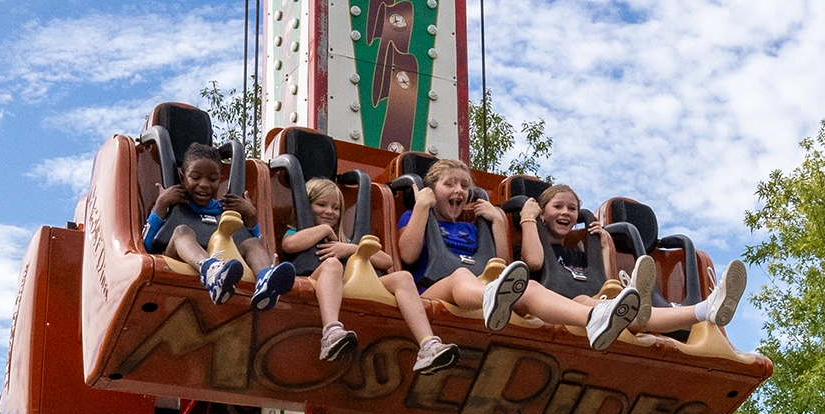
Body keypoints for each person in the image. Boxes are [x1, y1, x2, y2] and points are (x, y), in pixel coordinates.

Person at [395, 159, 642, 350]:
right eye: (449, 184)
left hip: (482, 294)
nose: (458, 190)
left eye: (464, 185)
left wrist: (498, 222)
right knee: (461, 275)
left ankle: (595, 317)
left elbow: (498, 266)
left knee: (530, 288)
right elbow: (408, 255)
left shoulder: (470, 229)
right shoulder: (416, 217)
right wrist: (421, 206)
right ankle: (488, 296)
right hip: (432, 292)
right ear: (431, 190)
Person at [280, 178, 459, 373]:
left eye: (336, 207)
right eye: (321, 205)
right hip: (318, 282)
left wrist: (349, 248)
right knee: (332, 265)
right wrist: (324, 230)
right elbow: (289, 245)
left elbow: (386, 261)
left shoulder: (343, 241)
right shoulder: (297, 231)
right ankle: (331, 331)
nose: (330, 212)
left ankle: (428, 345)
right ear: (306, 207)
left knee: (403, 278)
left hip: (351, 286)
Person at [517, 184, 746, 332]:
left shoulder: (579, 254)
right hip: (554, 307)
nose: (566, 212)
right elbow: (535, 262)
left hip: (588, 307)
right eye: (557, 206)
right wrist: (528, 218)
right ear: (542, 212)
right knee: (586, 303)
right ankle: (637, 301)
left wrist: (605, 248)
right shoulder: (530, 242)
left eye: (572, 208)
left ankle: (705, 310)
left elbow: (604, 283)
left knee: (622, 309)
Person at [143, 142, 295, 310]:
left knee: (251, 243)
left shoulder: (223, 209)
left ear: (220, 180)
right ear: (182, 177)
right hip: (179, 259)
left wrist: (251, 215)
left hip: (224, 261)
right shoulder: (173, 205)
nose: (204, 184)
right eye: (195, 177)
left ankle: (265, 280)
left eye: (213, 179)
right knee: (182, 231)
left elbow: (251, 240)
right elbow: (147, 245)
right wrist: (161, 204)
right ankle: (209, 268)